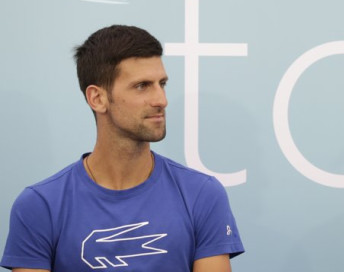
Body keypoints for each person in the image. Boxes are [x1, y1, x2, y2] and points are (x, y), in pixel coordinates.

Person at [1, 25, 244, 272]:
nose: (161, 100)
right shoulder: (40, 205)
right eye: (142, 86)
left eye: (162, 84)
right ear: (97, 98)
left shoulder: (202, 194)